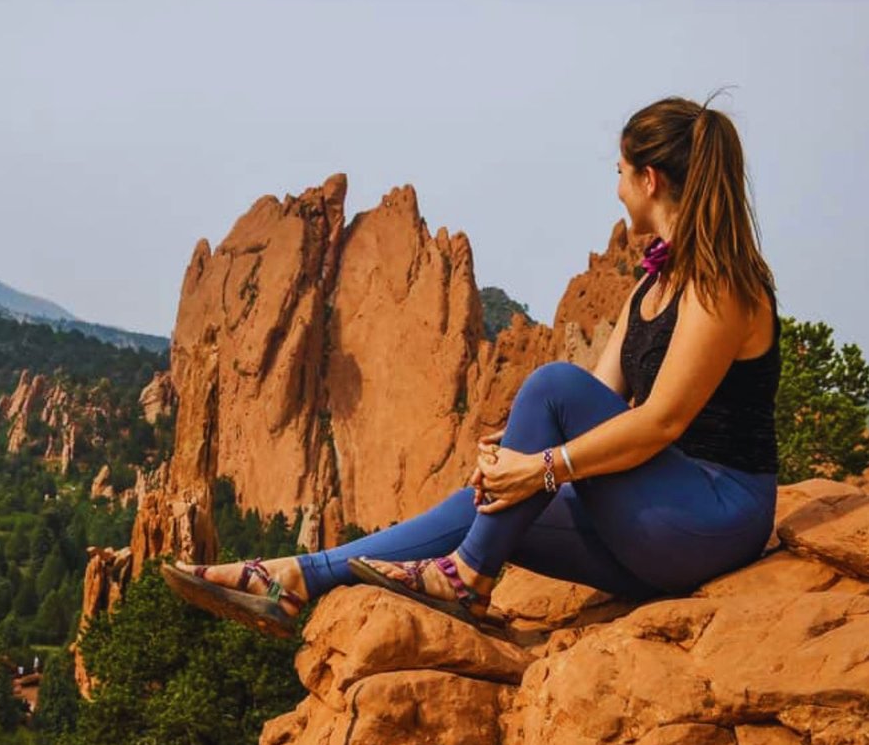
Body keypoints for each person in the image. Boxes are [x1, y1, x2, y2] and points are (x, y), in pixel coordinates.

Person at [161, 92, 780, 638]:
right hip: (656, 523)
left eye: (619, 173)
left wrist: (540, 466)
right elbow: (600, 398)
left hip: (711, 516)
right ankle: (295, 577)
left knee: (550, 387)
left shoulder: (721, 285)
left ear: (649, 178)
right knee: (485, 506)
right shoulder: (651, 290)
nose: (615, 188)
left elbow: (661, 422)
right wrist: (517, 454)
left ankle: (465, 580)